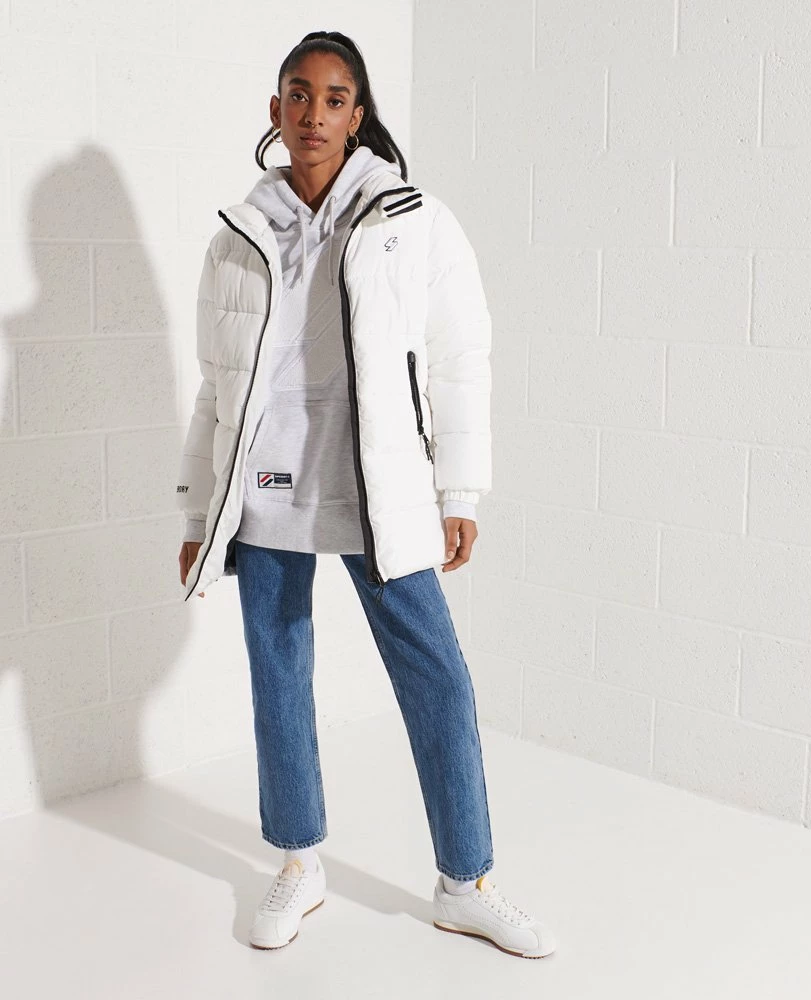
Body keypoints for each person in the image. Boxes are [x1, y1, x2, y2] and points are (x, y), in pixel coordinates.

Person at [175, 30, 557, 960]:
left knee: (437, 674)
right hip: (267, 481)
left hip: (377, 484)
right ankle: (298, 860)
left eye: (335, 98)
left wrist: (459, 489)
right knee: (278, 671)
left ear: (357, 115)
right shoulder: (238, 237)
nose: (314, 113)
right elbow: (215, 386)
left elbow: (459, 354)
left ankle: (466, 882)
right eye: (298, 94)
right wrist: (197, 510)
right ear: (275, 110)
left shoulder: (410, 219)